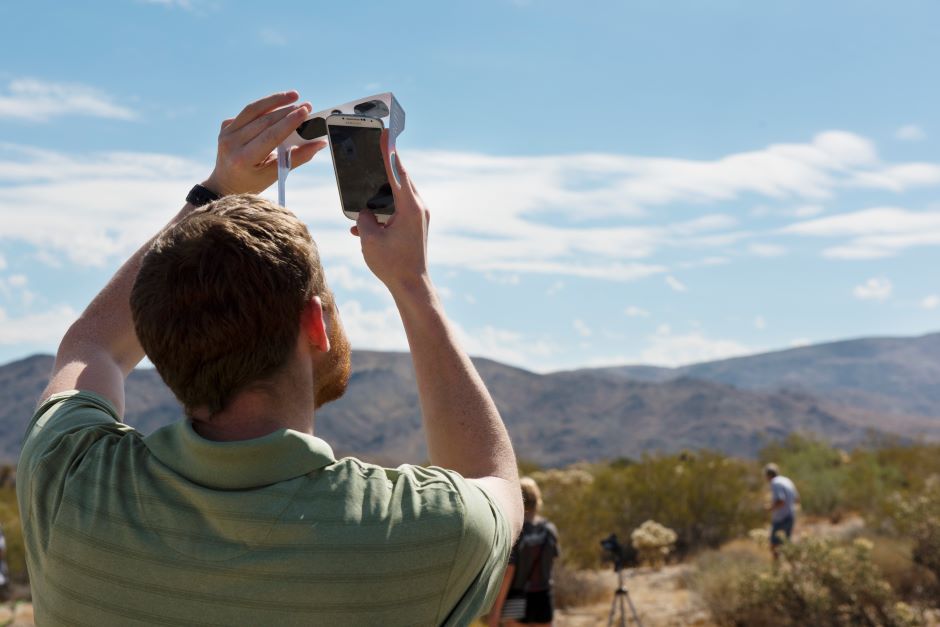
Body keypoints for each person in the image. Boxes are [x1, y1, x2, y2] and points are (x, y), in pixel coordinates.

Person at [16, 91, 523, 626]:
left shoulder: (67, 479)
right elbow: (494, 481)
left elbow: (91, 346)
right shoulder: (420, 533)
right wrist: (412, 285)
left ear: (155, 338)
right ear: (313, 324)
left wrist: (215, 191)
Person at [489, 477, 560, 627]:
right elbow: (550, 565)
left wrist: (496, 610)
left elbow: (509, 572)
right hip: (544, 597)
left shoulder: (516, 531)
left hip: (517, 598)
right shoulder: (549, 529)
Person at [764, 463, 799, 558]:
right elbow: (796, 498)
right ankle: (792, 567)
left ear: (768, 475)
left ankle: (776, 569)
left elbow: (780, 500)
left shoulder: (775, 482)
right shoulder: (787, 480)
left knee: (775, 545)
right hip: (791, 515)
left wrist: (769, 508)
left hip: (781, 518)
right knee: (786, 543)